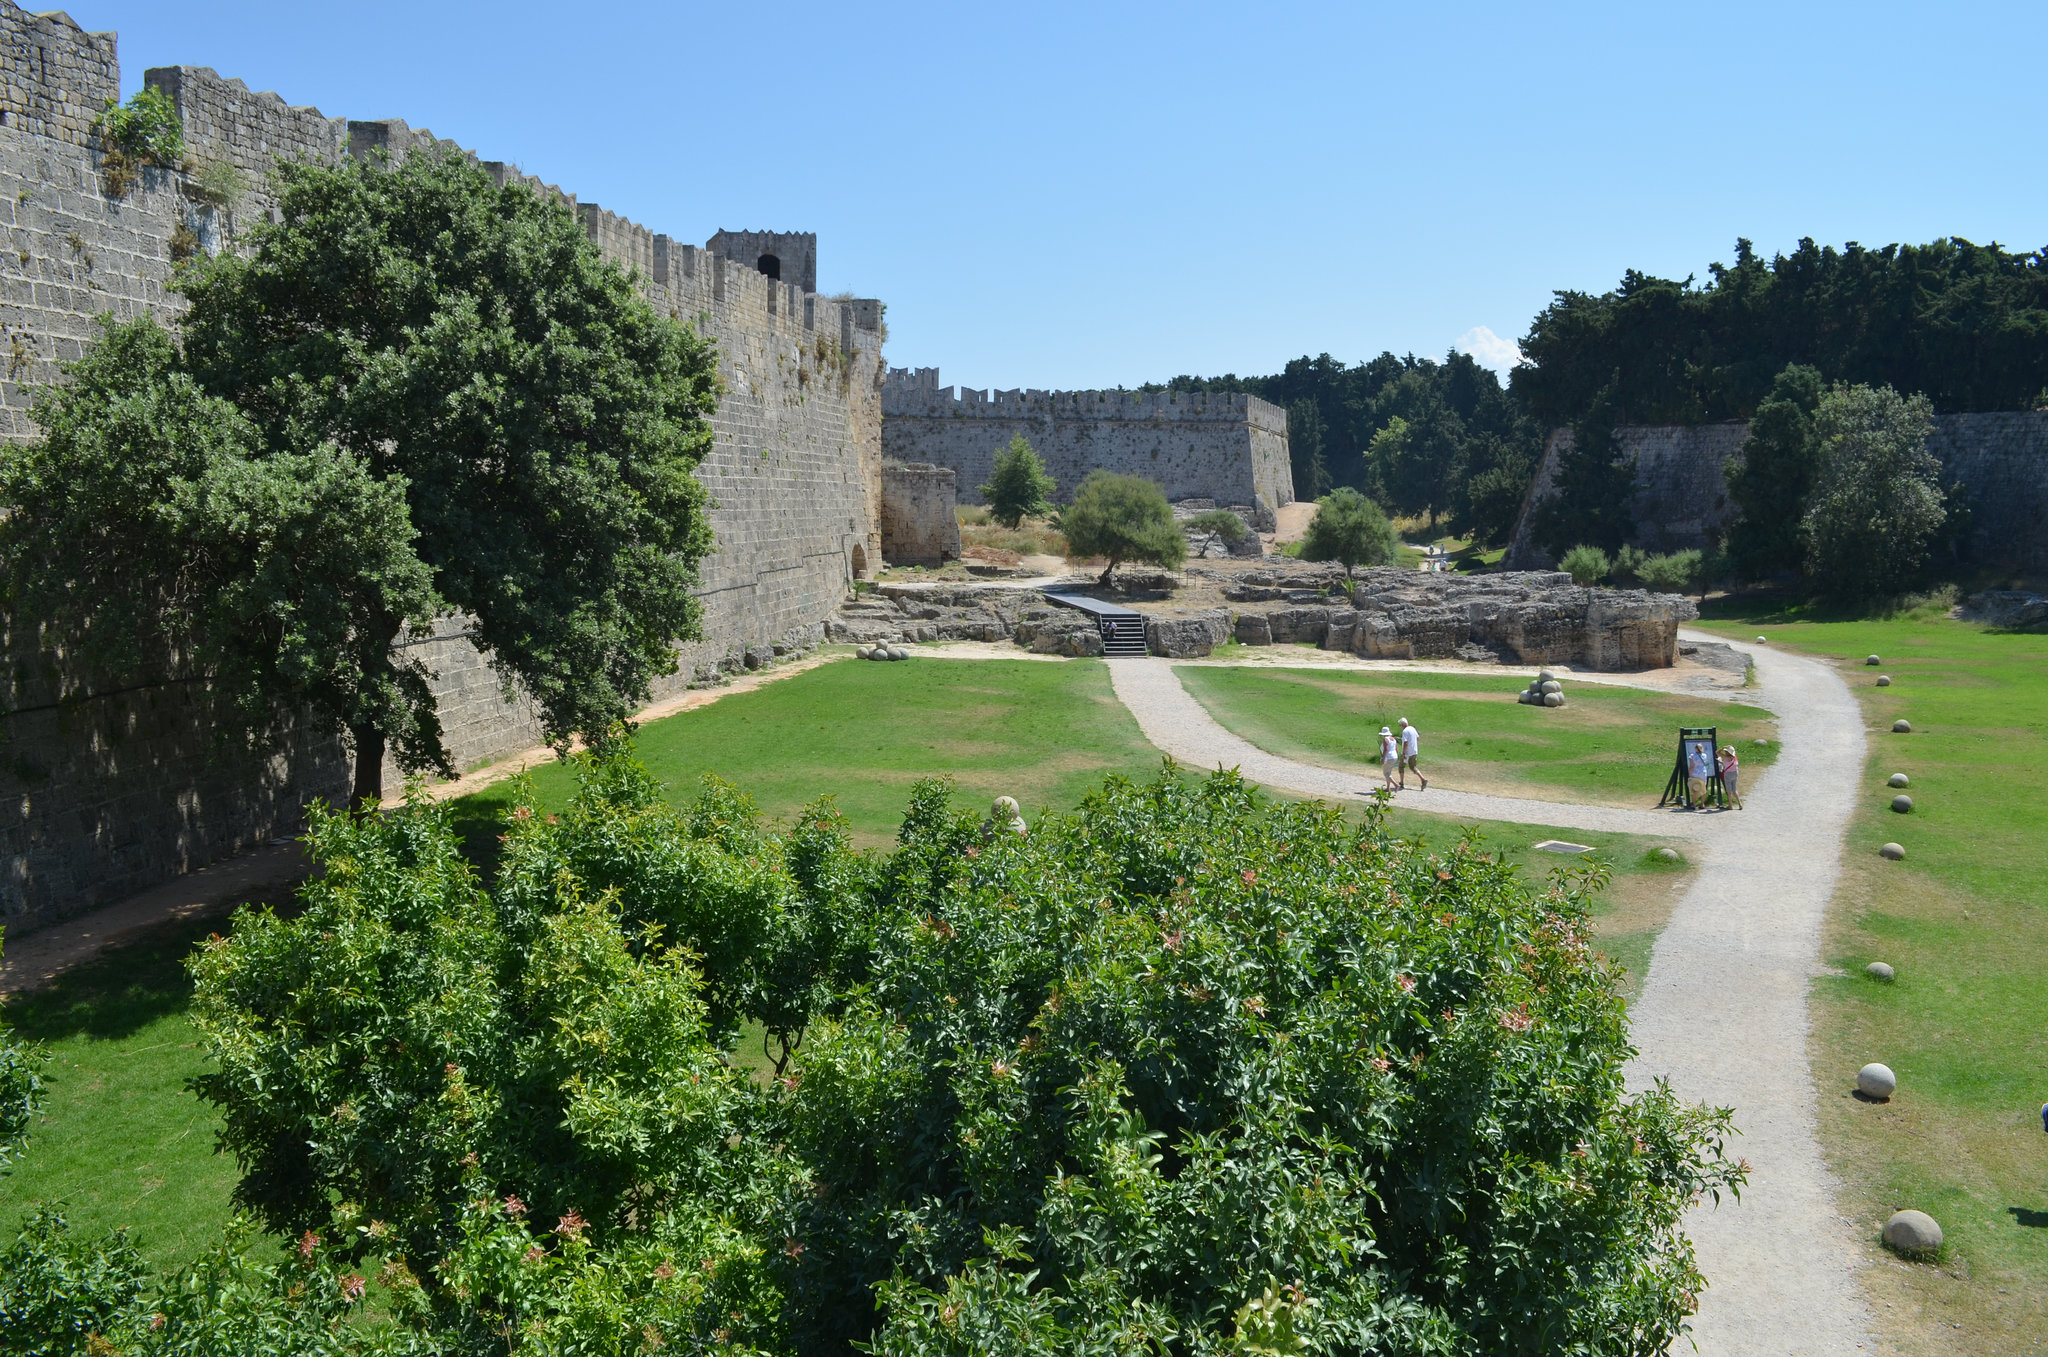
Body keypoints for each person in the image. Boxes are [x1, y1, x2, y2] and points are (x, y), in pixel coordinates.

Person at [1397, 717, 1428, 790]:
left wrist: (1404, 753)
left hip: (1407, 752)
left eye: (1400, 725)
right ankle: (1423, 780)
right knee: (1413, 767)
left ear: (1402, 725)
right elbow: (1418, 738)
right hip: (1414, 751)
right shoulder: (1412, 728)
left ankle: (1401, 783)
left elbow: (1405, 743)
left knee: (1401, 767)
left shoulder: (1405, 731)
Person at [1717, 742, 1742, 809]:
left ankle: (1730, 805)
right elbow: (1728, 764)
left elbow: (1717, 752)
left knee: (1729, 791)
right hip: (1735, 773)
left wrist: (1723, 747)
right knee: (1734, 789)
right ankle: (1740, 804)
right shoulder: (1734, 758)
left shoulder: (1726, 757)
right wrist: (1721, 762)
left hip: (1728, 774)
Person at [1377, 726, 1399, 790]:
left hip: (1388, 757)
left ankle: (1395, 784)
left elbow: (1385, 749)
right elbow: (1396, 749)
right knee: (1389, 772)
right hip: (1394, 756)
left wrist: (1383, 758)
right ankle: (1388, 787)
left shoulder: (1385, 739)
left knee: (1386, 773)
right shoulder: (1393, 739)